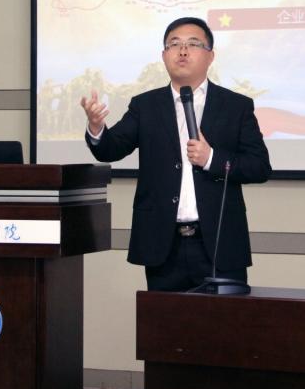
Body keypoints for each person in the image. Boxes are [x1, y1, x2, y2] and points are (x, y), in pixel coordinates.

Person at [80, 16, 271, 291]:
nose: (182, 51)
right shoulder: (145, 105)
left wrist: (211, 159)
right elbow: (111, 148)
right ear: (164, 55)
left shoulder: (235, 106)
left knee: (223, 320)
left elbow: (259, 166)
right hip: (163, 244)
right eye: (174, 44)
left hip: (219, 243)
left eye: (193, 44)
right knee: (164, 319)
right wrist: (97, 128)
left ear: (210, 56)